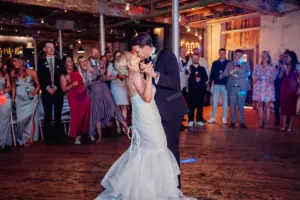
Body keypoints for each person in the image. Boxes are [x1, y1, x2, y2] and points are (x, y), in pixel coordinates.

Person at [95, 51, 196, 200]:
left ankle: (147, 188)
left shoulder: (131, 76)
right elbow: (148, 97)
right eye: (133, 56)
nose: (137, 55)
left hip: (143, 116)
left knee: (146, 152)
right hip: (148, 119)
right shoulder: (135, 75)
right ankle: (155, 191)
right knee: (158, 149)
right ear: (129, 63)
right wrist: (149, 76)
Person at [131, 32, 188, 188]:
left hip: (170, 110)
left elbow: (176, 83)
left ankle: (176, 187)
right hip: (156, 113)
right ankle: (161, 185)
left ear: (147, 47)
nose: (137, 54)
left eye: (138, 51)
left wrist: (154, 74)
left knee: (171, 149)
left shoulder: (168, 55)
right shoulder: (147, 59)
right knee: (159, 150)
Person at [77, 56, 128, 143]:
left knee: (113, 108)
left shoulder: (96, 68)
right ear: (79, 64)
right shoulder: (80, 74)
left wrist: (105, 74)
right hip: (93, 95)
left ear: (88, 61)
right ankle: (99, 137)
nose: (84, 63)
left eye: (85, 60)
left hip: (104, 91)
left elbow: (104, 78)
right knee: (96, 114)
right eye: (81, 62)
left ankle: (127, 129)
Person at [37, 41, 65, 144]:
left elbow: (62, 75)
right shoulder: (41, 62)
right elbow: (40, 76)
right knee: (47, 115)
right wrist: (47, 87)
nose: (51, 49)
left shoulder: (59, 61)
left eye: (52, 47)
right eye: (49, 47)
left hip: (58, 92)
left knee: (58, 115)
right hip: (46, 92)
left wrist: (56, 86)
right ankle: (48, 139)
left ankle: (59, 138)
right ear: (44, 49)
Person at [10, 56, 40, 147]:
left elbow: (38, 85)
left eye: (16, 61)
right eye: (13, 62)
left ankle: (31, 139)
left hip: (31, 99)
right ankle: (23, 138)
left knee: (30, 119)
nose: (14, 63)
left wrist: (34, 92)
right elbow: (13, 87)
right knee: (21, 120)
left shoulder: (32, 72)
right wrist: (13, 100)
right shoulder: (13, 73)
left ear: (21, 61)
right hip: (19, 100)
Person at [60, 57, 90, 144]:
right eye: (68, 61)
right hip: (74, 97)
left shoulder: (78, 71)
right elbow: (64, 89)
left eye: (71, 61)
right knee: (77, 117)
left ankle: (84, 134)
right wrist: (72, 84)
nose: (71, 63)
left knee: (87, 114)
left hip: (84, 95)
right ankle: (76, 136)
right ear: (65, 63)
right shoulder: (64, 75)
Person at [221, 49, 250, 128]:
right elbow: (225, 74)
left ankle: (242, 121)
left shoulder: (246, 64)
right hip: (232, 88)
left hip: (242, 88)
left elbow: (247, 73)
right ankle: (232, 121)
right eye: (237, 55)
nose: (239, 57)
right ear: (235, 55)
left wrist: (237, 75)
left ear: (242, 56)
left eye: (240, 55)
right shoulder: (230, 64)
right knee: (232, 105)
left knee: (241, 104)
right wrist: (233, 70)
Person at [106, 50, 129, 134]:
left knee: (124, 107)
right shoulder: (111, 65)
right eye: (117, 56)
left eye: (120, 56)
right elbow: (107, 78)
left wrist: (125, 76)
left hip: (124, 87)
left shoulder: (125, 65)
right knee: (116, 108)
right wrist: (116, 77)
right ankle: (118, 127)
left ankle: (124, 127)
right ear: (114, 57)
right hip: (115, 87)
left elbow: (128, 76)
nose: (118, 57)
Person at [252, 51, 276, 129]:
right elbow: (253, 76)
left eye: (265, 56)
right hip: (259, 87)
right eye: (262, 56)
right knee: (260, 104)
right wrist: (257, 78)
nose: (264, 58)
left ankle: (268, 121)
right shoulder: (257, 66)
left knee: (267, 105)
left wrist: (270, 78)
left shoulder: (272, 67)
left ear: (268, 58)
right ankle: (261, 120)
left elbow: (274, 77)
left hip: (268, 88)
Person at [279, 50, 300, 132]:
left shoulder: (297, 66)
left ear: (292, 57)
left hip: (293, 88)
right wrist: (282, 69)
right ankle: (284, 125)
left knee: (291, 107)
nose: (285, 58)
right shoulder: (284, 66)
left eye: (287, 56)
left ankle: (290, 126)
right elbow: (280, 77)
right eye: (284, 57)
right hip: (284, 88)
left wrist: (299, 89)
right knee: (284, 106)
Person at [207, 48, 230, 124]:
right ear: (219, 53)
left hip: (225, 85)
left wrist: (224, 77)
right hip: (216, 84)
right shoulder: (215, 63)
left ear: (225, 54)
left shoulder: (228, 62)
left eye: (223, 53)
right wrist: (210, 84)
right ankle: (213, 117)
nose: (222, 54)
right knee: (214, 101)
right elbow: (212, 74)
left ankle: (224, 118)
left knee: (225, 102)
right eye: (220, 53)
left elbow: (230, 73)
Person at [188, 53, 208, 127]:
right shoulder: (189, 68)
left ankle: (199, 119)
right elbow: (187, 78)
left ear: (199, 59)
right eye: (194, 58)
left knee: (200, 106)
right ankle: (191, 120)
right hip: (192, 90)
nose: (195, 59)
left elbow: (206, 78)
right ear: (192, 59)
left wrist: (200, 80)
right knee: (191, 106)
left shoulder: (202, 68)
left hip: (200, 90)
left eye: (197, 58)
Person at [0, 58, 12, 151]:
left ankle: (1, 143)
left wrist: (3, 91)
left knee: (3, 121)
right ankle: (6, 143)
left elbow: (9, 87)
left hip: (4, 98)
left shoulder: (5, 74)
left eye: (0, 61)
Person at [274, 54, 285, 126]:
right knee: (276, 105)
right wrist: (278, 69)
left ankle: (286, 122)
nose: (281, 60)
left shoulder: (288, 67)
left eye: (282, 59)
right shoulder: (276, 67)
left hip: (285, 88)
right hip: (277, 88)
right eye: (280, 59)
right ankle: (277, 120)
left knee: (285, 105)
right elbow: (274, 77)